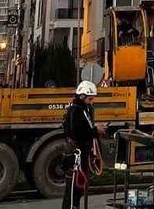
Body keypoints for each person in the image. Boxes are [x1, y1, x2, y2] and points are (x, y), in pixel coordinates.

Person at [62, 81, 104, 209]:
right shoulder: (76, 111)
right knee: (73, 190)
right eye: (90, 99)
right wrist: (95, 131)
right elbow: (77, 132)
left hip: (81, 155)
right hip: (76, 156)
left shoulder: (84, 109)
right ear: (82, 96)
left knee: (77, 190)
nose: (91, 102)